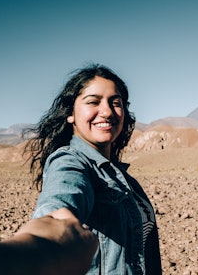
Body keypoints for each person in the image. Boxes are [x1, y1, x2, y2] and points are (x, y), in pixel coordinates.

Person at [25, 64, 162, 274]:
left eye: (115, 103)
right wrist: (34, 244)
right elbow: (56, 210)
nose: (107, 111)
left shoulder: (120, 176)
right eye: (93, 102)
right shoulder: (70, 162)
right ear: (70, 113)